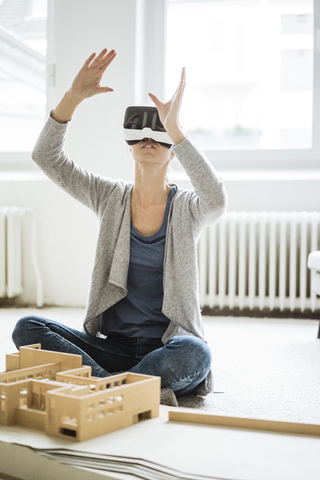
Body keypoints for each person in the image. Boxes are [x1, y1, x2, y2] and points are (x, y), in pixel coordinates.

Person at [12, 48, 227, 406]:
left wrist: (174, 128)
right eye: (140, 132)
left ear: (173, 150)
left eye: (159, 134)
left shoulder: (188, 207)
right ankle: (124, 389)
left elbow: (216, 199)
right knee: (29, 328)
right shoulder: (109, 196)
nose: (148, 137)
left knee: (196, 354)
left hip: (167, 348)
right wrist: (72, 98)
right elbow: (45, 157)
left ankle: (102, 388)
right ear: (128, 147)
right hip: (110, 349)